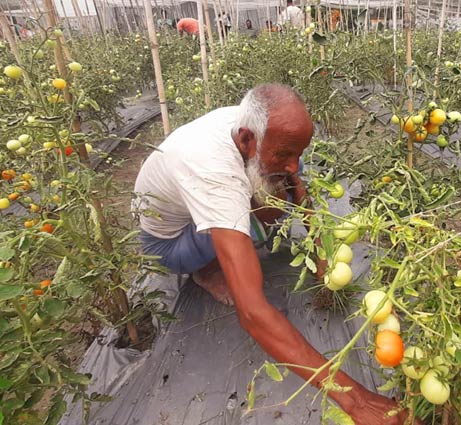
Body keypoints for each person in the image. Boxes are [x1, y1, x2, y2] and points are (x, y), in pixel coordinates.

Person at [132, 85, 418, 425]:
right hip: (167, 244)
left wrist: (321, 261)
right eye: (284, 152)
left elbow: (298, 189)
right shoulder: (213, 172)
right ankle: (206, 271)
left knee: (277, 187)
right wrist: (355, 401)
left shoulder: (253, 127)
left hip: (196, 208)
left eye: (299, 152)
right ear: (246, 141)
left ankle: (231, 240)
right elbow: (252, 311)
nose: (294, 163)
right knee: (260, 209)